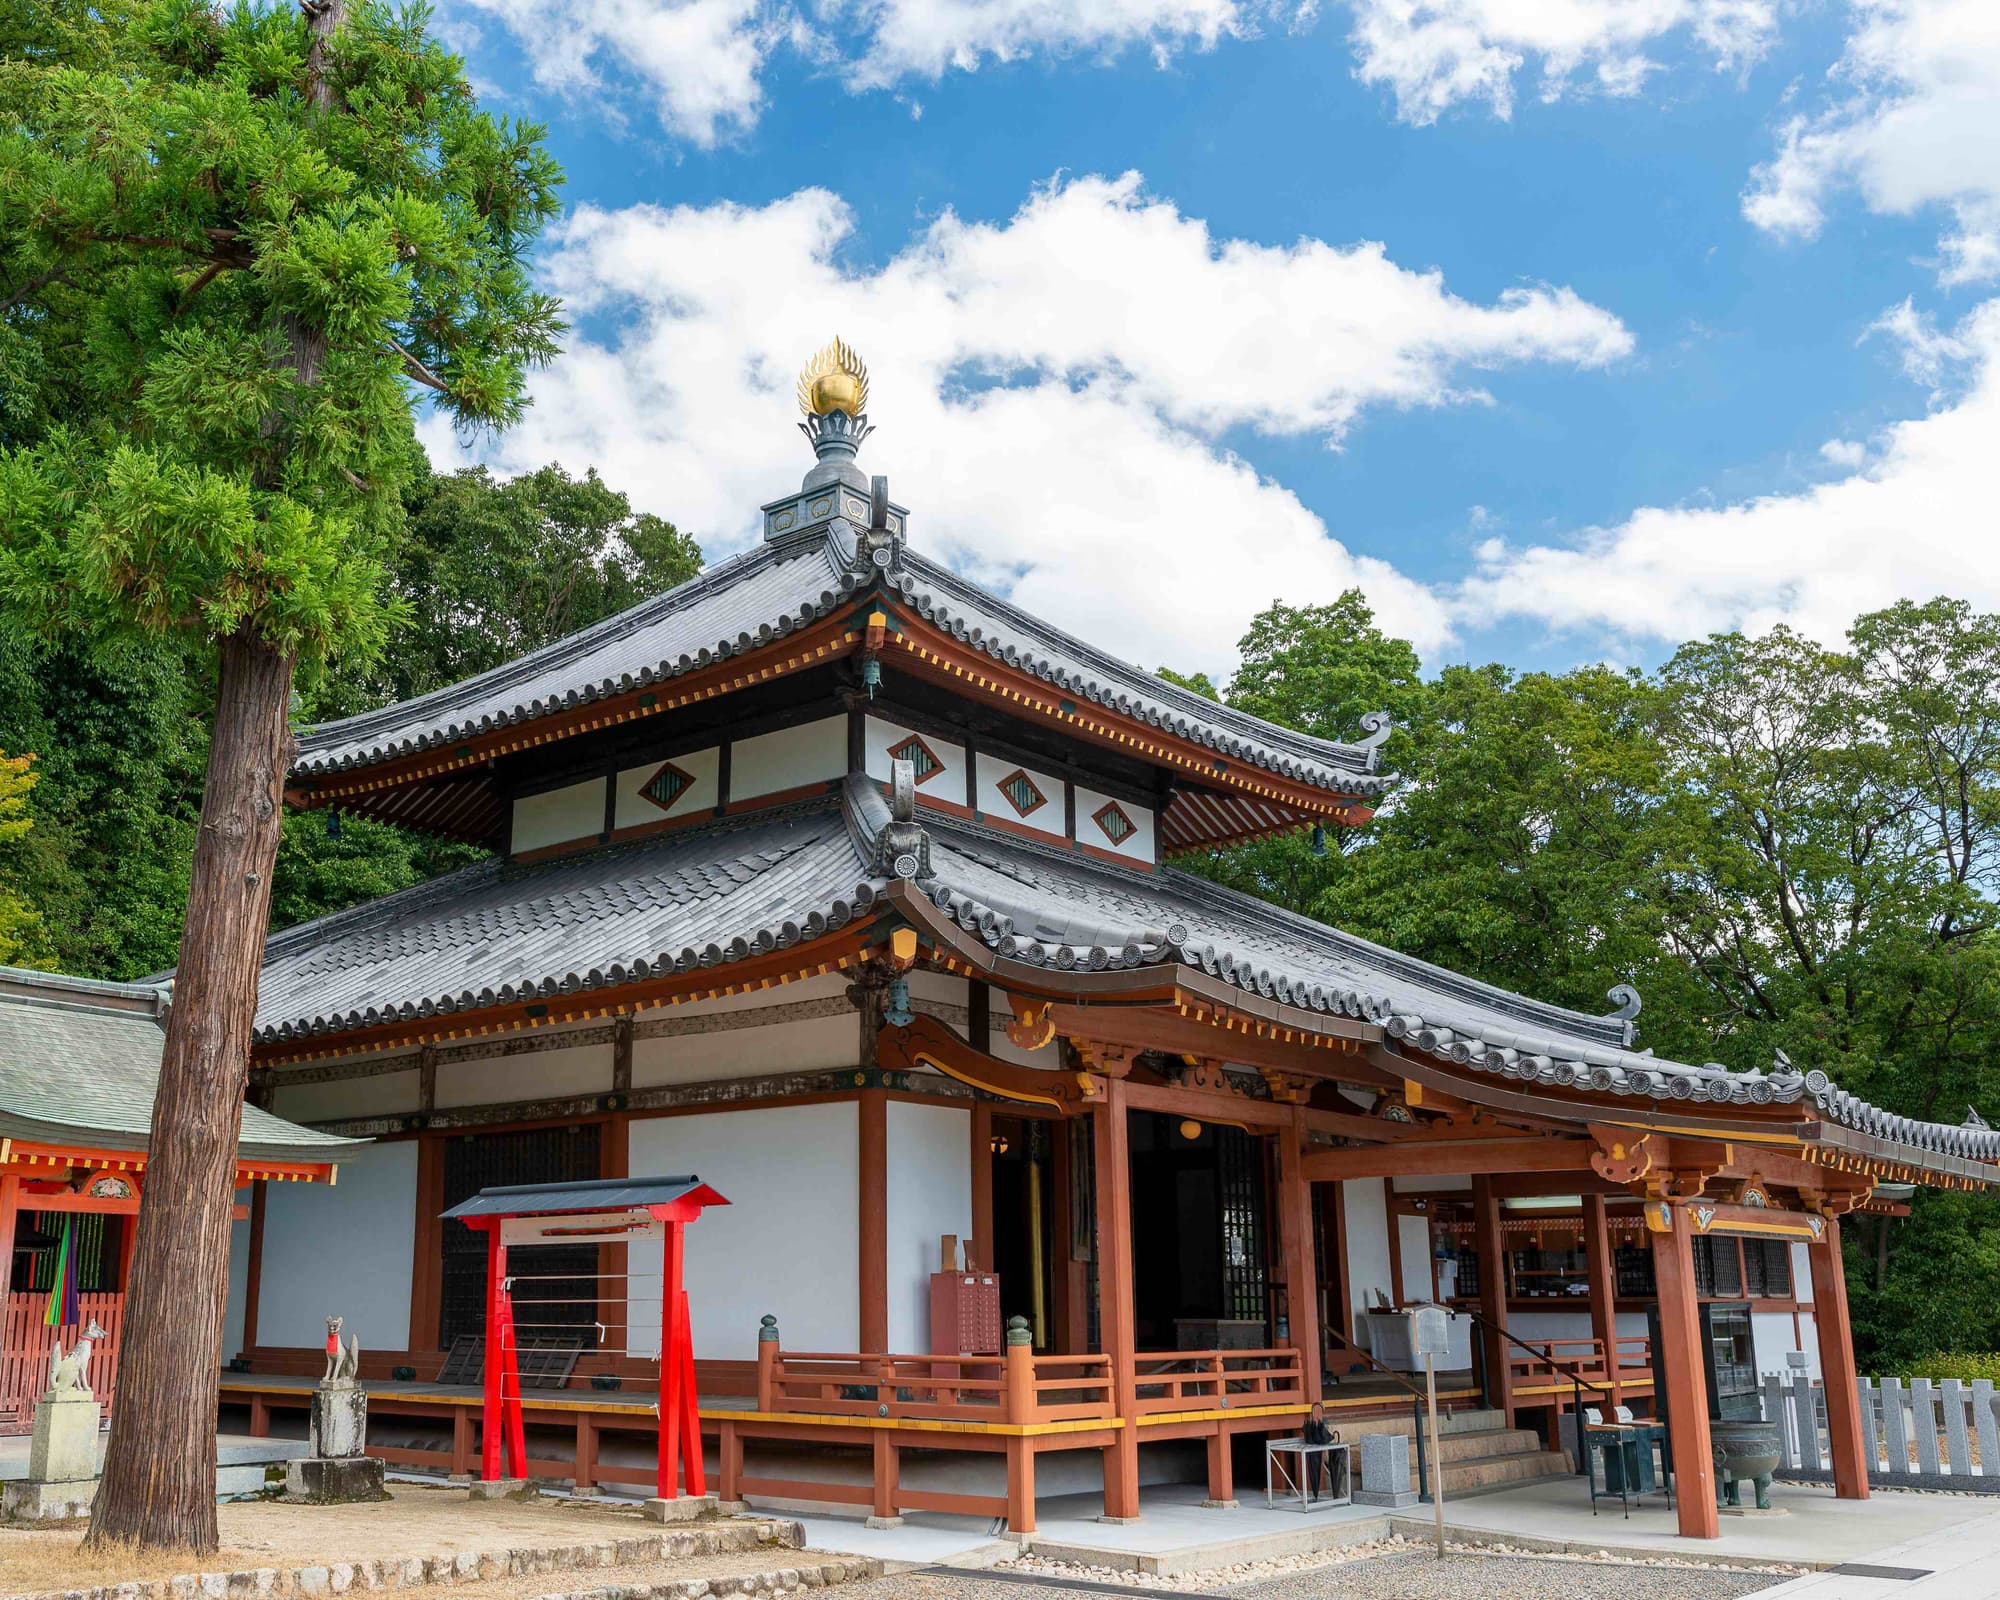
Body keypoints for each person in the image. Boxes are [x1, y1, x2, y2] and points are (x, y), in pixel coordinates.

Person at [1301, 1400, 1339, 1499]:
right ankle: (1316, 1493)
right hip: (1312, 1447)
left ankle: (1335, 1494)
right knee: (1314, 1468)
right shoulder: (1312, 1430)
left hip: (1315, 1445)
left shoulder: (1320, 1430)